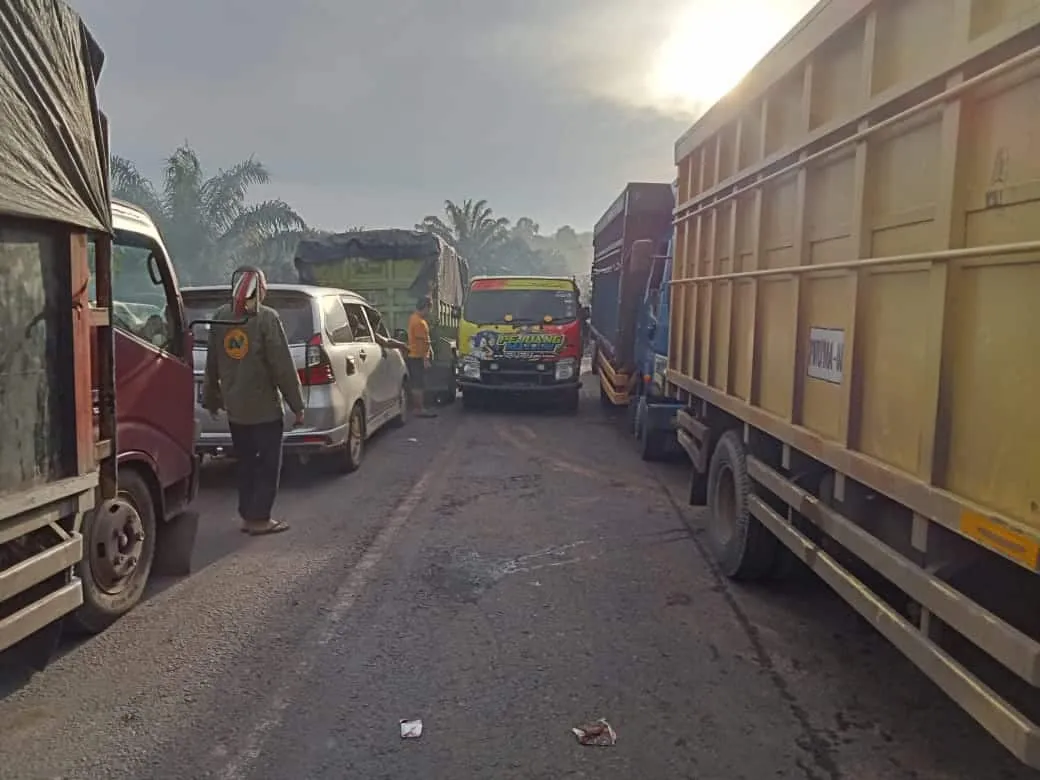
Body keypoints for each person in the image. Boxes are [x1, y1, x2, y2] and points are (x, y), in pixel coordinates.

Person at [202, 266, 305, 535]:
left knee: (246, 464)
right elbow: (282, 366)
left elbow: (211, 365)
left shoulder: (220, 317)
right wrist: (297, 405)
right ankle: (261, 519)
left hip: (236, 411)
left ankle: (248, 515)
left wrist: (211, 400)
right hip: (265, 411)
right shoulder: (266, 319)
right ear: (259, 289)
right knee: (269, 465)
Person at [406, 296, 437, 418]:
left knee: (418, 383)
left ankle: (419, 407)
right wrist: (425, 358)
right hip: (417, 356)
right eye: (429, 309)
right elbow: (421, 343)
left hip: (416, 356)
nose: (429, 312)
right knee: (418, 384)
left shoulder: (414, 319)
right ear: (425, 307)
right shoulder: (419, 322)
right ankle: (419, 409)